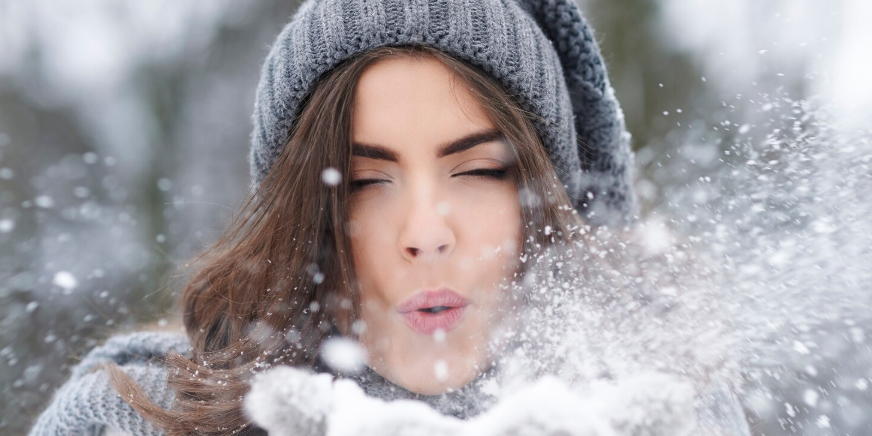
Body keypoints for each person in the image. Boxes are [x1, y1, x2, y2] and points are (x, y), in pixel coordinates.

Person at [27, 1, 751, 435]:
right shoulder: (130, 421)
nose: (426, 232)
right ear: (304, 214)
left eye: (475, 172)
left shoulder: (655, 410)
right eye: (368, 183)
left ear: (546, 200)